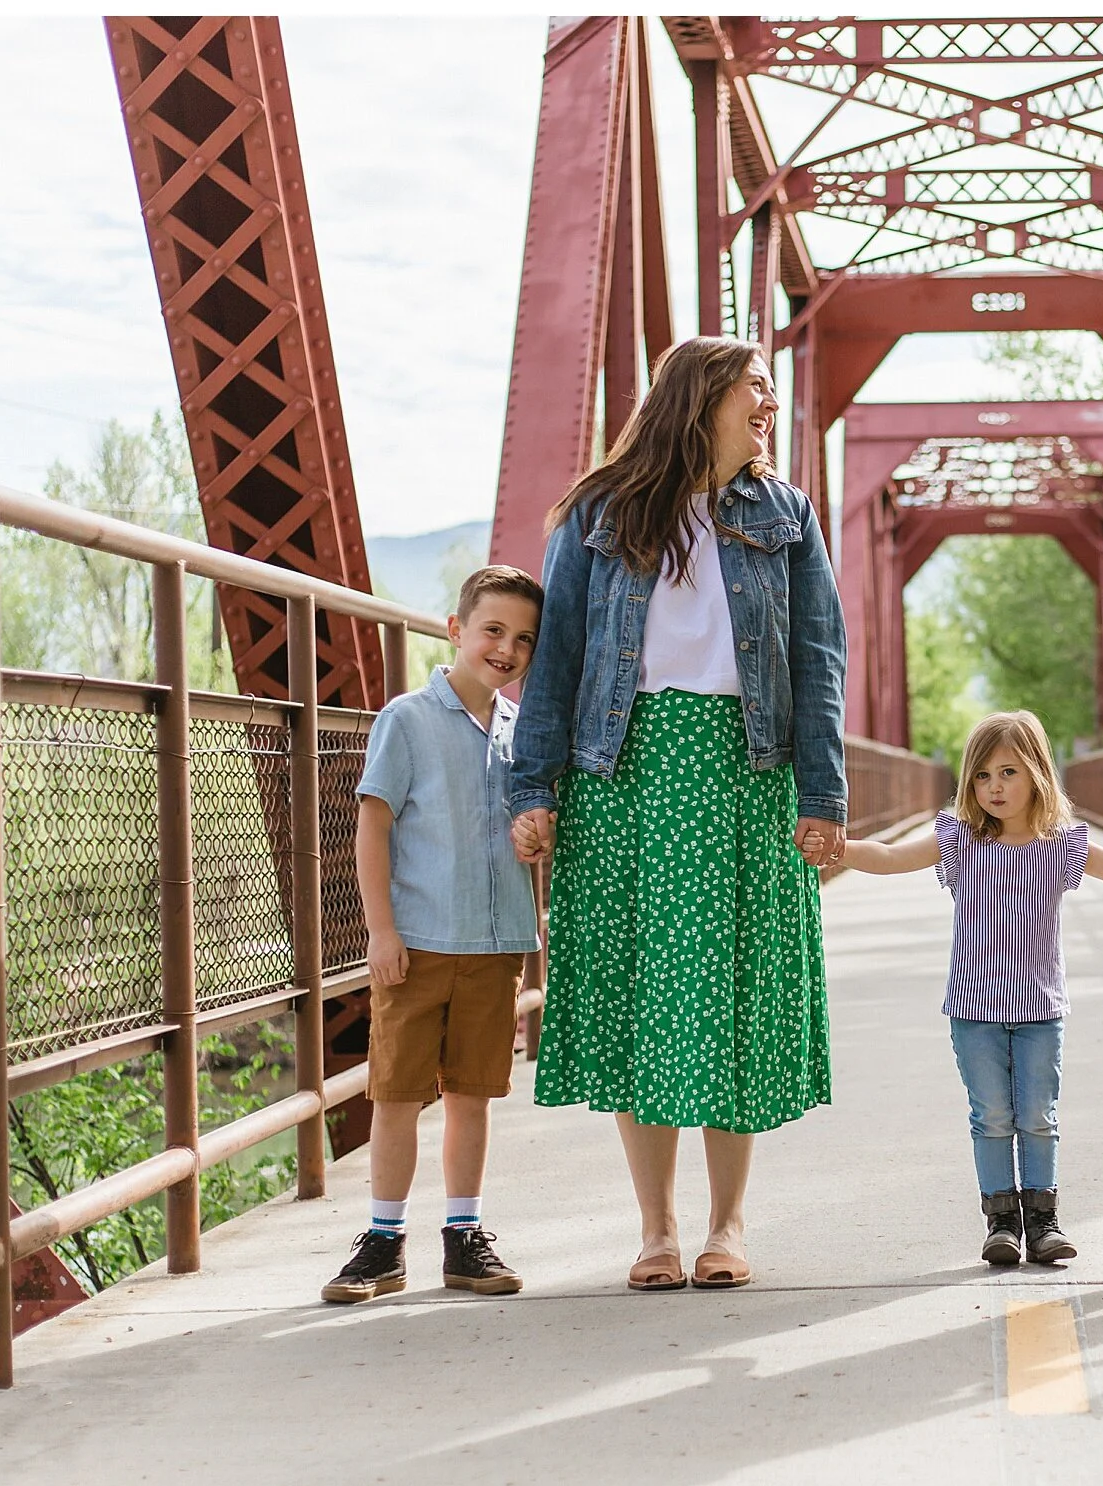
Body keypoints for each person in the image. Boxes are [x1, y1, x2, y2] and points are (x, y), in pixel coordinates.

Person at [506, 337, 847, 1294]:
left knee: (732, 993)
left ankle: (727, 1224)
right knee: (638, 994)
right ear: (702, 399)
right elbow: (559, 659)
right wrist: (532, 788)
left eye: (774, 392)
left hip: (746, 772)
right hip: (624, 774)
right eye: (756, 390)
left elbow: (820, 660)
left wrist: (823, 798)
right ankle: (654, 1229)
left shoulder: (786, 516)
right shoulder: (598, 514)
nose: (768, 407)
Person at [841, 711, 1103, 1266]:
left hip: (1041, 1009)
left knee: (1038, 1115)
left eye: (1009, 773)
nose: (995, 787)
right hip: (973, 1010)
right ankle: (1001, 1221)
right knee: (991, 1115)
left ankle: (1043, 1221)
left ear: (1039, 774)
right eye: (983, 775)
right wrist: (838, 847)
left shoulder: (1061, 844)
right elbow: (894, 858)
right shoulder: (960, 841)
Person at [321, 566, 545, 1304]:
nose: (506, 648)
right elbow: (373, 824)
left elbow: (535, 824)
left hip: (494, 944)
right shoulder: (407, 719)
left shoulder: (523, 734)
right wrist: (379, 930)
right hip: (417, 941)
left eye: (522, 640)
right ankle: (382, 1241)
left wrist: (537, 836)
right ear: (455, 630)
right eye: (492, 630)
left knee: (473, 1095)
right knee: (396, 1093)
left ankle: (465, 1235)